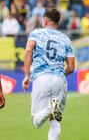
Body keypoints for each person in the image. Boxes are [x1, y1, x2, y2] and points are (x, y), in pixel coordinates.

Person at [22, 8, 75, 140]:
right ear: (58, 22)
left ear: (45, 21)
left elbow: (28, 51)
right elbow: (71, 67)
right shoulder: (66, 39)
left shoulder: (36, 33)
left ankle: (48, 109)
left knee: (36, 121)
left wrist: (27, 75)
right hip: (59, 80)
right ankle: (51, 109)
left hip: (41, 78)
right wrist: (60, 74)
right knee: (55, 121)